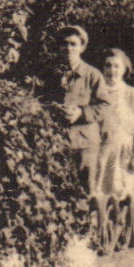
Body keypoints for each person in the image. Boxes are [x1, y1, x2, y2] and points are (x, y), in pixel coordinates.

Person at [88, 48, 134, 201]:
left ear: (124, 69)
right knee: (97, 197)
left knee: (122, 196)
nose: (112, 70)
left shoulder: (133, 95)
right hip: (99, 153)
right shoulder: (94, 94)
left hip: (123, 154)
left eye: (117, 66)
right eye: (108, 65)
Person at [51, 25, 106, 192]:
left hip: (85, 143)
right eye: (64, 44)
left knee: (86, 190)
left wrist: (81, 113)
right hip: (56, 140)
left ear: (82, 47)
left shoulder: (92, 75)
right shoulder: (50, 73)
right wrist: (53, 108)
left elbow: (105, 106)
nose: (68, 48)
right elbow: (38, 100)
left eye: (73, 44)